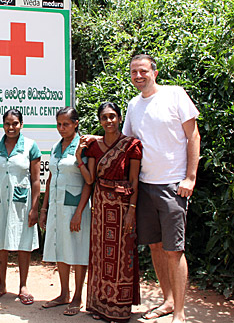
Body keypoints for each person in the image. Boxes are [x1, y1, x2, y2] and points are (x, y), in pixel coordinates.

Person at [122, 54, 200, 323]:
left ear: (154, 72)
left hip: (173, 186)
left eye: (143, 71)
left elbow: (193, 135)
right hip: (144, 185)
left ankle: (180, 313)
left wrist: (190, 178)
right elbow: (125, 143)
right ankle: (167, 302)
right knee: (155, 246)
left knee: (174, 249)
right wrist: (95, 140)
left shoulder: (175, 95)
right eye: (133, 72)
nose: (138, 76)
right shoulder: (133, 105)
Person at [75, 102, 142, 322]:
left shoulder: (131, 146)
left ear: (120, 118)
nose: (109, 121)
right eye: (104, 118)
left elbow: (134, 180)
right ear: (100, 121)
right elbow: (90, 179)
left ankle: (119, 308)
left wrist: (132, 209)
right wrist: (79, 158)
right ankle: (100, 305)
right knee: (101, 255)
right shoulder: (94, 147)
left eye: (112, 116)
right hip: (101, 208)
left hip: (123, 207)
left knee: (122, 255)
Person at [0, 109, 41, 306]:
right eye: (7, 123)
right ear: (3, 125)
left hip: (22, 202)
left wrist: (34, 208)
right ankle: (1, 284)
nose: (11, 127)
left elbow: (36, 180)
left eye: (15, 123)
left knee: (23, 242)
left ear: (21, 124)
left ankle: (23, 286)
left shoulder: (31, 146)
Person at [39, 107, 90, 316]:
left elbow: (89, 182)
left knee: (77, 250)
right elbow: (51, 177)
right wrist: (44, 207)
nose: (61, 128)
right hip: (57, 207)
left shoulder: (85, 146)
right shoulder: (55, 147)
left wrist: (79, 212)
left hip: (76, 207)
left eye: (66, 124)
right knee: (60, 247)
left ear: (76, 123)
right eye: (59, 124)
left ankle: (77, 296)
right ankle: (63, 294)